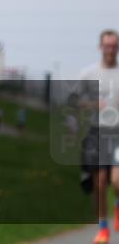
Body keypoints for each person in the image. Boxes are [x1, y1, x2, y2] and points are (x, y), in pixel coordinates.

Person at [76, 30, 119, 244]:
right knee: (100, 182)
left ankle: (118, 206)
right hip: (97, 130)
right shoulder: (89, 73)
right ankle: (103, 228)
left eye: (114, 46)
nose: (111, 50)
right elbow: (76, 99)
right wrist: (93, 104)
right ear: (100, 47)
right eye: (107, 45)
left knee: (117, 181)